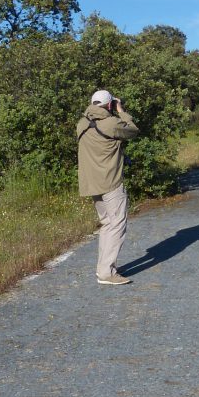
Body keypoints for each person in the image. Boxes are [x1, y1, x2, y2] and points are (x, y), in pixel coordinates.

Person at [77, 89, 140, 285]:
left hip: (92, 183)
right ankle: (106, 273)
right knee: (118, 223)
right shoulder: (111, 123)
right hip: (111, 181)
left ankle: (103, 269)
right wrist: (120, 110)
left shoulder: (82, 124)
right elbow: (133, 130)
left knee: (107, 224)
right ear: (109, 105)